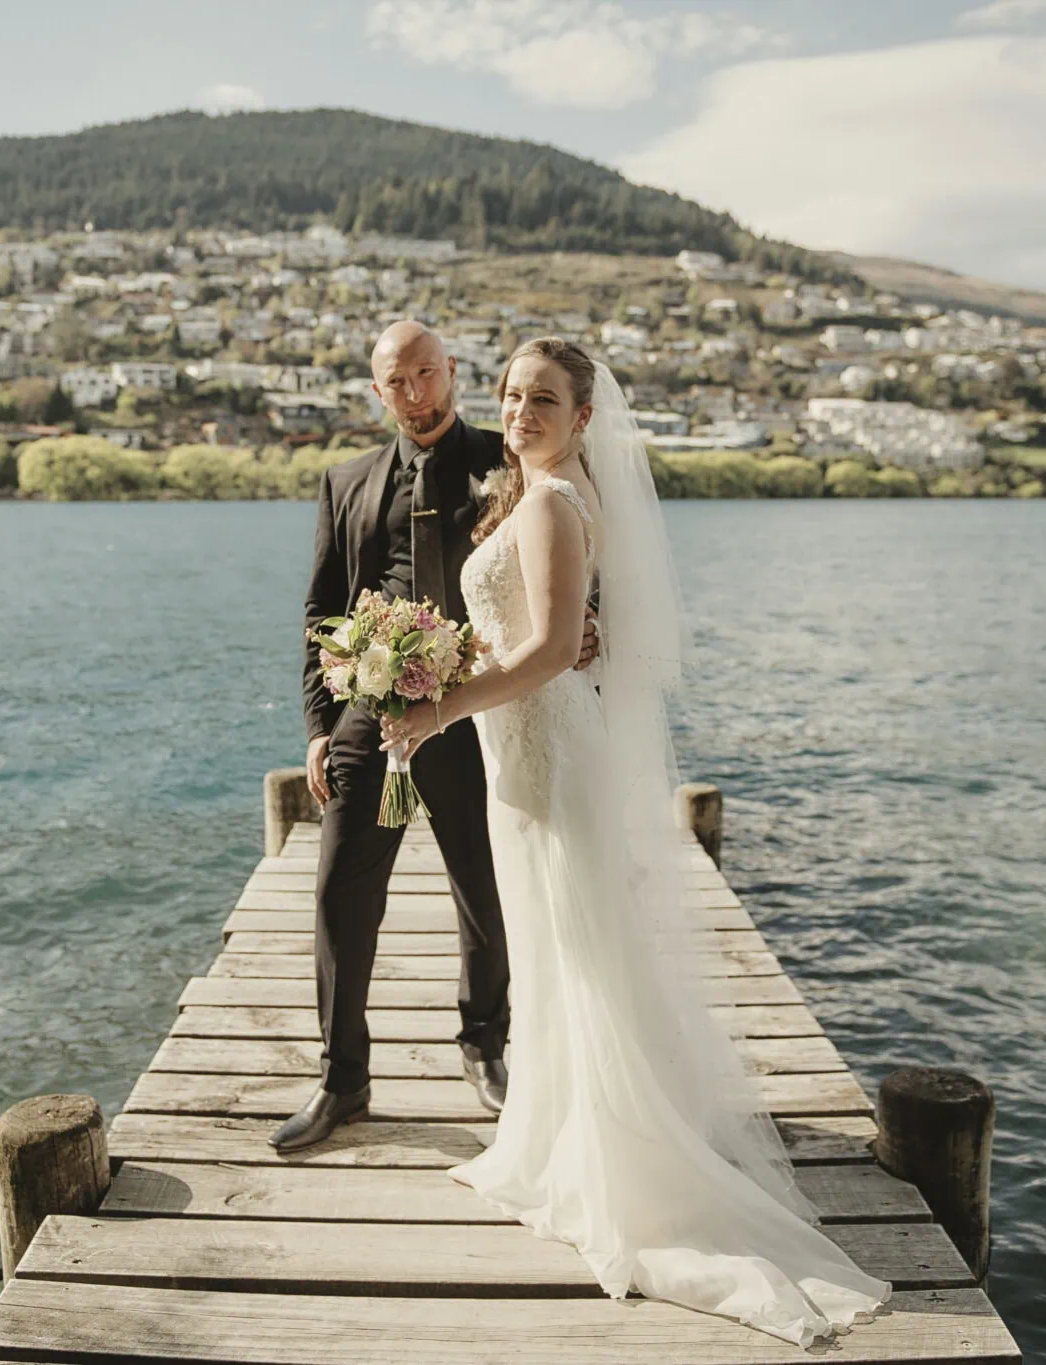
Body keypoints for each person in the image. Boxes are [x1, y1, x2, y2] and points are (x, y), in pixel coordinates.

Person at [377, 338, 893, 1346]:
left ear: (581, 419)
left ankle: (609, 1161)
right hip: (521, 749)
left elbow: (543, 651)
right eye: (512, 395)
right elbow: (531, 638)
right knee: (550, 946)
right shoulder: (540, 497)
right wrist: (430, 657)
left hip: (543, 750)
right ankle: (552, 1136)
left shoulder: (551, 502)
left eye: (544, 400)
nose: (520, 412)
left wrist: (434, 707)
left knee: (575, 945)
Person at [278, 321, 598, 1152]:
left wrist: (590, 621)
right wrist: (319, 726)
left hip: (477, 708)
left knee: (484, 889)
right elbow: (321, 613)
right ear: (377, 391)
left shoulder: (513, 459)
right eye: (398, 381)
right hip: (368, 717)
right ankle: (343, 1078)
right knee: (340, 894)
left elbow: (577, 555)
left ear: (454, 372)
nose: (417, 393)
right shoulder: (344, 482)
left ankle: (483, 1042)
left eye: (429, 373)